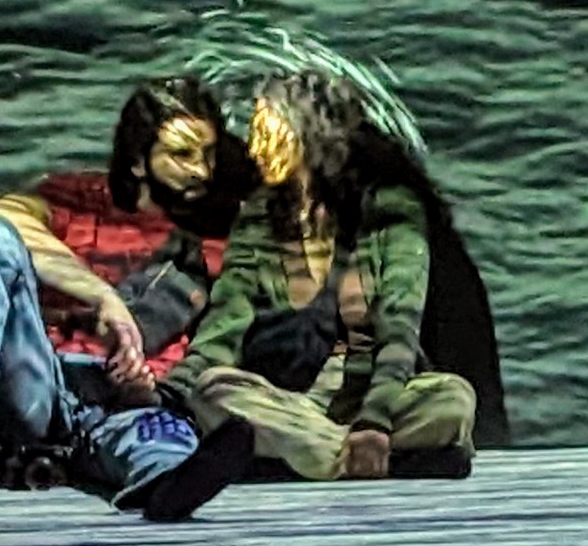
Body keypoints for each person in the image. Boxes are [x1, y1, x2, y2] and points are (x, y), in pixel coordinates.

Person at [0, 76, 260, 520]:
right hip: (40, 380)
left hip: (128, 400)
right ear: (139, 160)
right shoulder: (79, 197)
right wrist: (102, 297)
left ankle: (166, 482)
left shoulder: (216, 239)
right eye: (181, 155)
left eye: (209, 155)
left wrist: (153, 390)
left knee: (159, 438)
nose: (201, 170)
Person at [167, 66, 494, 481]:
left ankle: (301, 457)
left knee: (453, 398)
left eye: (267, 131)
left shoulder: (390, 209)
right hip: (286, 400)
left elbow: (400, 329)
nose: (253, 148)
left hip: (374, 397)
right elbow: (222, 328)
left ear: (307, 136)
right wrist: (167, 396)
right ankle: (367, 459)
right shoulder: (259, 219)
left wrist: (374, 422)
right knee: (214, 390)